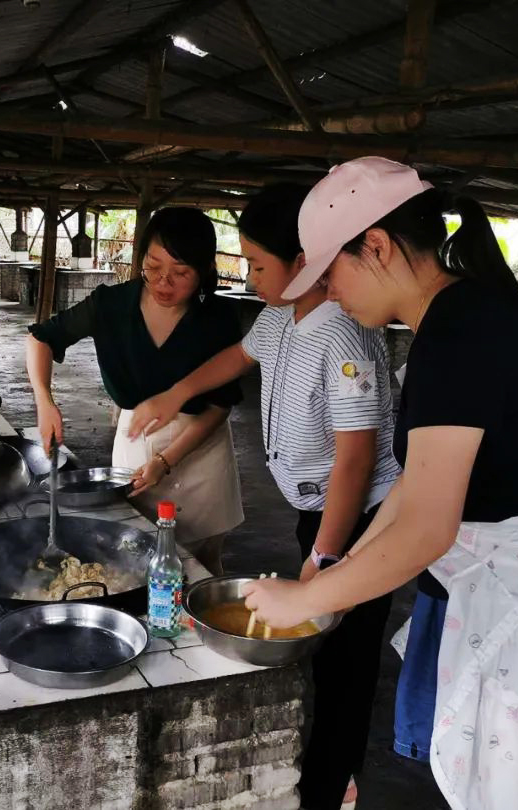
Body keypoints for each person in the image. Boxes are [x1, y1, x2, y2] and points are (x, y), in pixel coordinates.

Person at [244, 156, 518, 809]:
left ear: (377, 246)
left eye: (330, 271)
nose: (329, 292)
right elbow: (409, 492)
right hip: (516, 611)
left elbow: (428, 525)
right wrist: (329, 571)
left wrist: (303, 601)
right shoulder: (454, 323)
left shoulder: (460, 334)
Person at [128, 185, 400, 810]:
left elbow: (356, 460)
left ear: (306, 259)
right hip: (319, 513)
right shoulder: (281, 317)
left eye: (255, 263)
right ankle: (316, 762)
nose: (247, 276)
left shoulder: (346, 338)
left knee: (345, 662)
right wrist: (173, 395)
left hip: (359, 522)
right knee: (319, 643)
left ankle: (332, 785)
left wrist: (328, 556)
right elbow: (234, 357)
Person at [26, 207, 244, 574]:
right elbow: (40, 340)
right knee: (132, 559)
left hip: (201, 454)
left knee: (200, 567)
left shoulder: (217, 320)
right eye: (153, 267)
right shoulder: (112, 305)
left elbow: (219, 408)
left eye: (181, 273)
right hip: (134, 445)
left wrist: (165, 461)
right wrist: (44, 402)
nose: (163, 282)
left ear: (205, 270)